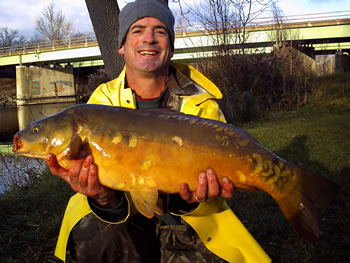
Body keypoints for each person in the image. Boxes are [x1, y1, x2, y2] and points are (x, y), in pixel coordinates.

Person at [47, 0, 270, 262]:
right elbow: (106, 191)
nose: (149, 39)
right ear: (121, 45)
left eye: (160, 31)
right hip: (124, 217)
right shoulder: (100, 104)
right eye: (138, 30)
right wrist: (103, 197)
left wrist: (193, 198)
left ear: (171, 46)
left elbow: (212, 195)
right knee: (95, 232)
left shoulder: (202, 105)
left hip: (190, 221)